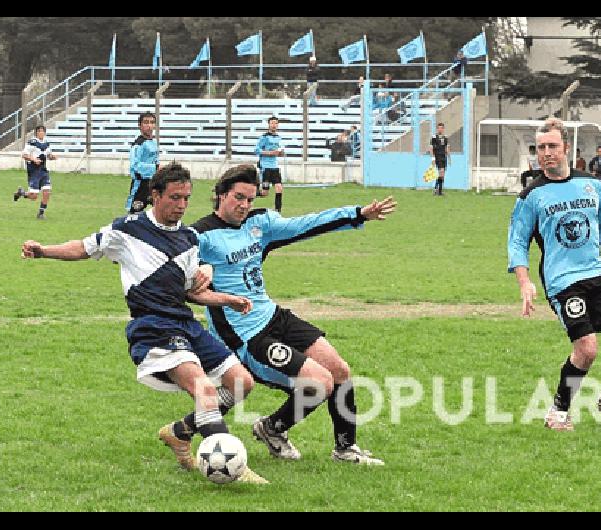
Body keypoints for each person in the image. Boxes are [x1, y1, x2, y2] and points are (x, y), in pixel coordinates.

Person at [20, 162, 268, 484]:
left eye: (186, 199)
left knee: (241, 383)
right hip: (152, 327)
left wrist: (227, 299)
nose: (181, 206)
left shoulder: (190, 238)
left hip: (185, 323)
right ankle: (233, 464)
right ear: (155, 195)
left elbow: (191, 292)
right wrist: (43, 251)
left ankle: (180, 432)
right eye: (174, 197)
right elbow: (83, 247)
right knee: (204, 389)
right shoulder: (128, 229)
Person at [164, 164, 396, 467]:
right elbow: (170, 267)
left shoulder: (261, 223)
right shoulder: (201, 236)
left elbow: (306, 225)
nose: (244, 205)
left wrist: (357, 215)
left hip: (274, 316)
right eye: (238, 197)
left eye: (249, 199)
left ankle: (345, 448)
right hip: (246, 336)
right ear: (220, 195)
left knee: (339, 370)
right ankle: (273, 428)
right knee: (320, 383)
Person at [507, 117, 601, 432]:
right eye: (540, 148)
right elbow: (516, 243)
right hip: (562, 281)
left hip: (596, 273)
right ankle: (558, 411)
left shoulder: (591, 184)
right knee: (587, 348)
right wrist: (524, 281)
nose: (546, 153)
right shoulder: (531, 196)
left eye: (552, 146)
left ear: (566, 148)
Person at [13, 125, 57, 220]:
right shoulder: (32, 142)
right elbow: (24, 155)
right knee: (34, 196)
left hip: (43, 170)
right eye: (39, 131)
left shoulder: (46, 143)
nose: (41, 133)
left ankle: (41, 213)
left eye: (43, 131)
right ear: (36, 133)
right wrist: (33, 159)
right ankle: (21, 193)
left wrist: (52, 157)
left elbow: (48, 155)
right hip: (34, 171)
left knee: (47, 192)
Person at [126, 112, 159, 214]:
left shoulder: (153, 142)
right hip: (140, 185)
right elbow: (135, 166)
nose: (149, 126)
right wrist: (155, 168)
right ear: (139, 126)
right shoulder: (138, 145)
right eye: (146, 122)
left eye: (152, 122)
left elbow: (155, 159)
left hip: (153, 184)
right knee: (134, 215)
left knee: (160, 213)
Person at [254, 115, 285, 213]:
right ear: (269, 125)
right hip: (265, 167)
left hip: (274, 166)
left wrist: (280, 153)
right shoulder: (264, 137)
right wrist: (270, 153)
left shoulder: (279, 138)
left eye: (276, 123)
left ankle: (278, 211)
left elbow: (280, 151)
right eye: (272, 123)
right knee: (264, 193)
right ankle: (250, 193)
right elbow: (256, 150)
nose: (274, 125)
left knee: (279, 188)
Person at [429, 122, 451, 196]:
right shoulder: (434, 137)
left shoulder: (445, 137)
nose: (440, 129)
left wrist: (449, 157)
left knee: (442, 175)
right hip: (437, 157)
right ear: (437, 128)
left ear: (443, 129)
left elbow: (446, 148)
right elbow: (431, 149)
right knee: (441, 172)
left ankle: (439, 191)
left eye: (441, 128)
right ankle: (437, 190)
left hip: (443, 158)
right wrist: (432, 158)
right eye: (439, 128)